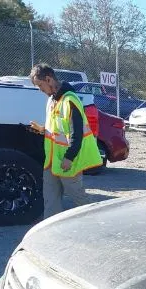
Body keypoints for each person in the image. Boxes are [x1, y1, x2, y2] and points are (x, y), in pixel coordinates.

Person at [27, 63, 102, 218]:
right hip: (52, 161)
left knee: (79, 197)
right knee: (50, 199)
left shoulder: (70, 100)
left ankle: (98, 220)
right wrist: (42, 130)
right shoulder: (52, 100)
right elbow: (58, 129)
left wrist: (69, 157)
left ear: (48, 79)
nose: (40, 90)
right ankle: (50, 232)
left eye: (40, 85)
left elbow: (77, 133)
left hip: (67, 161)